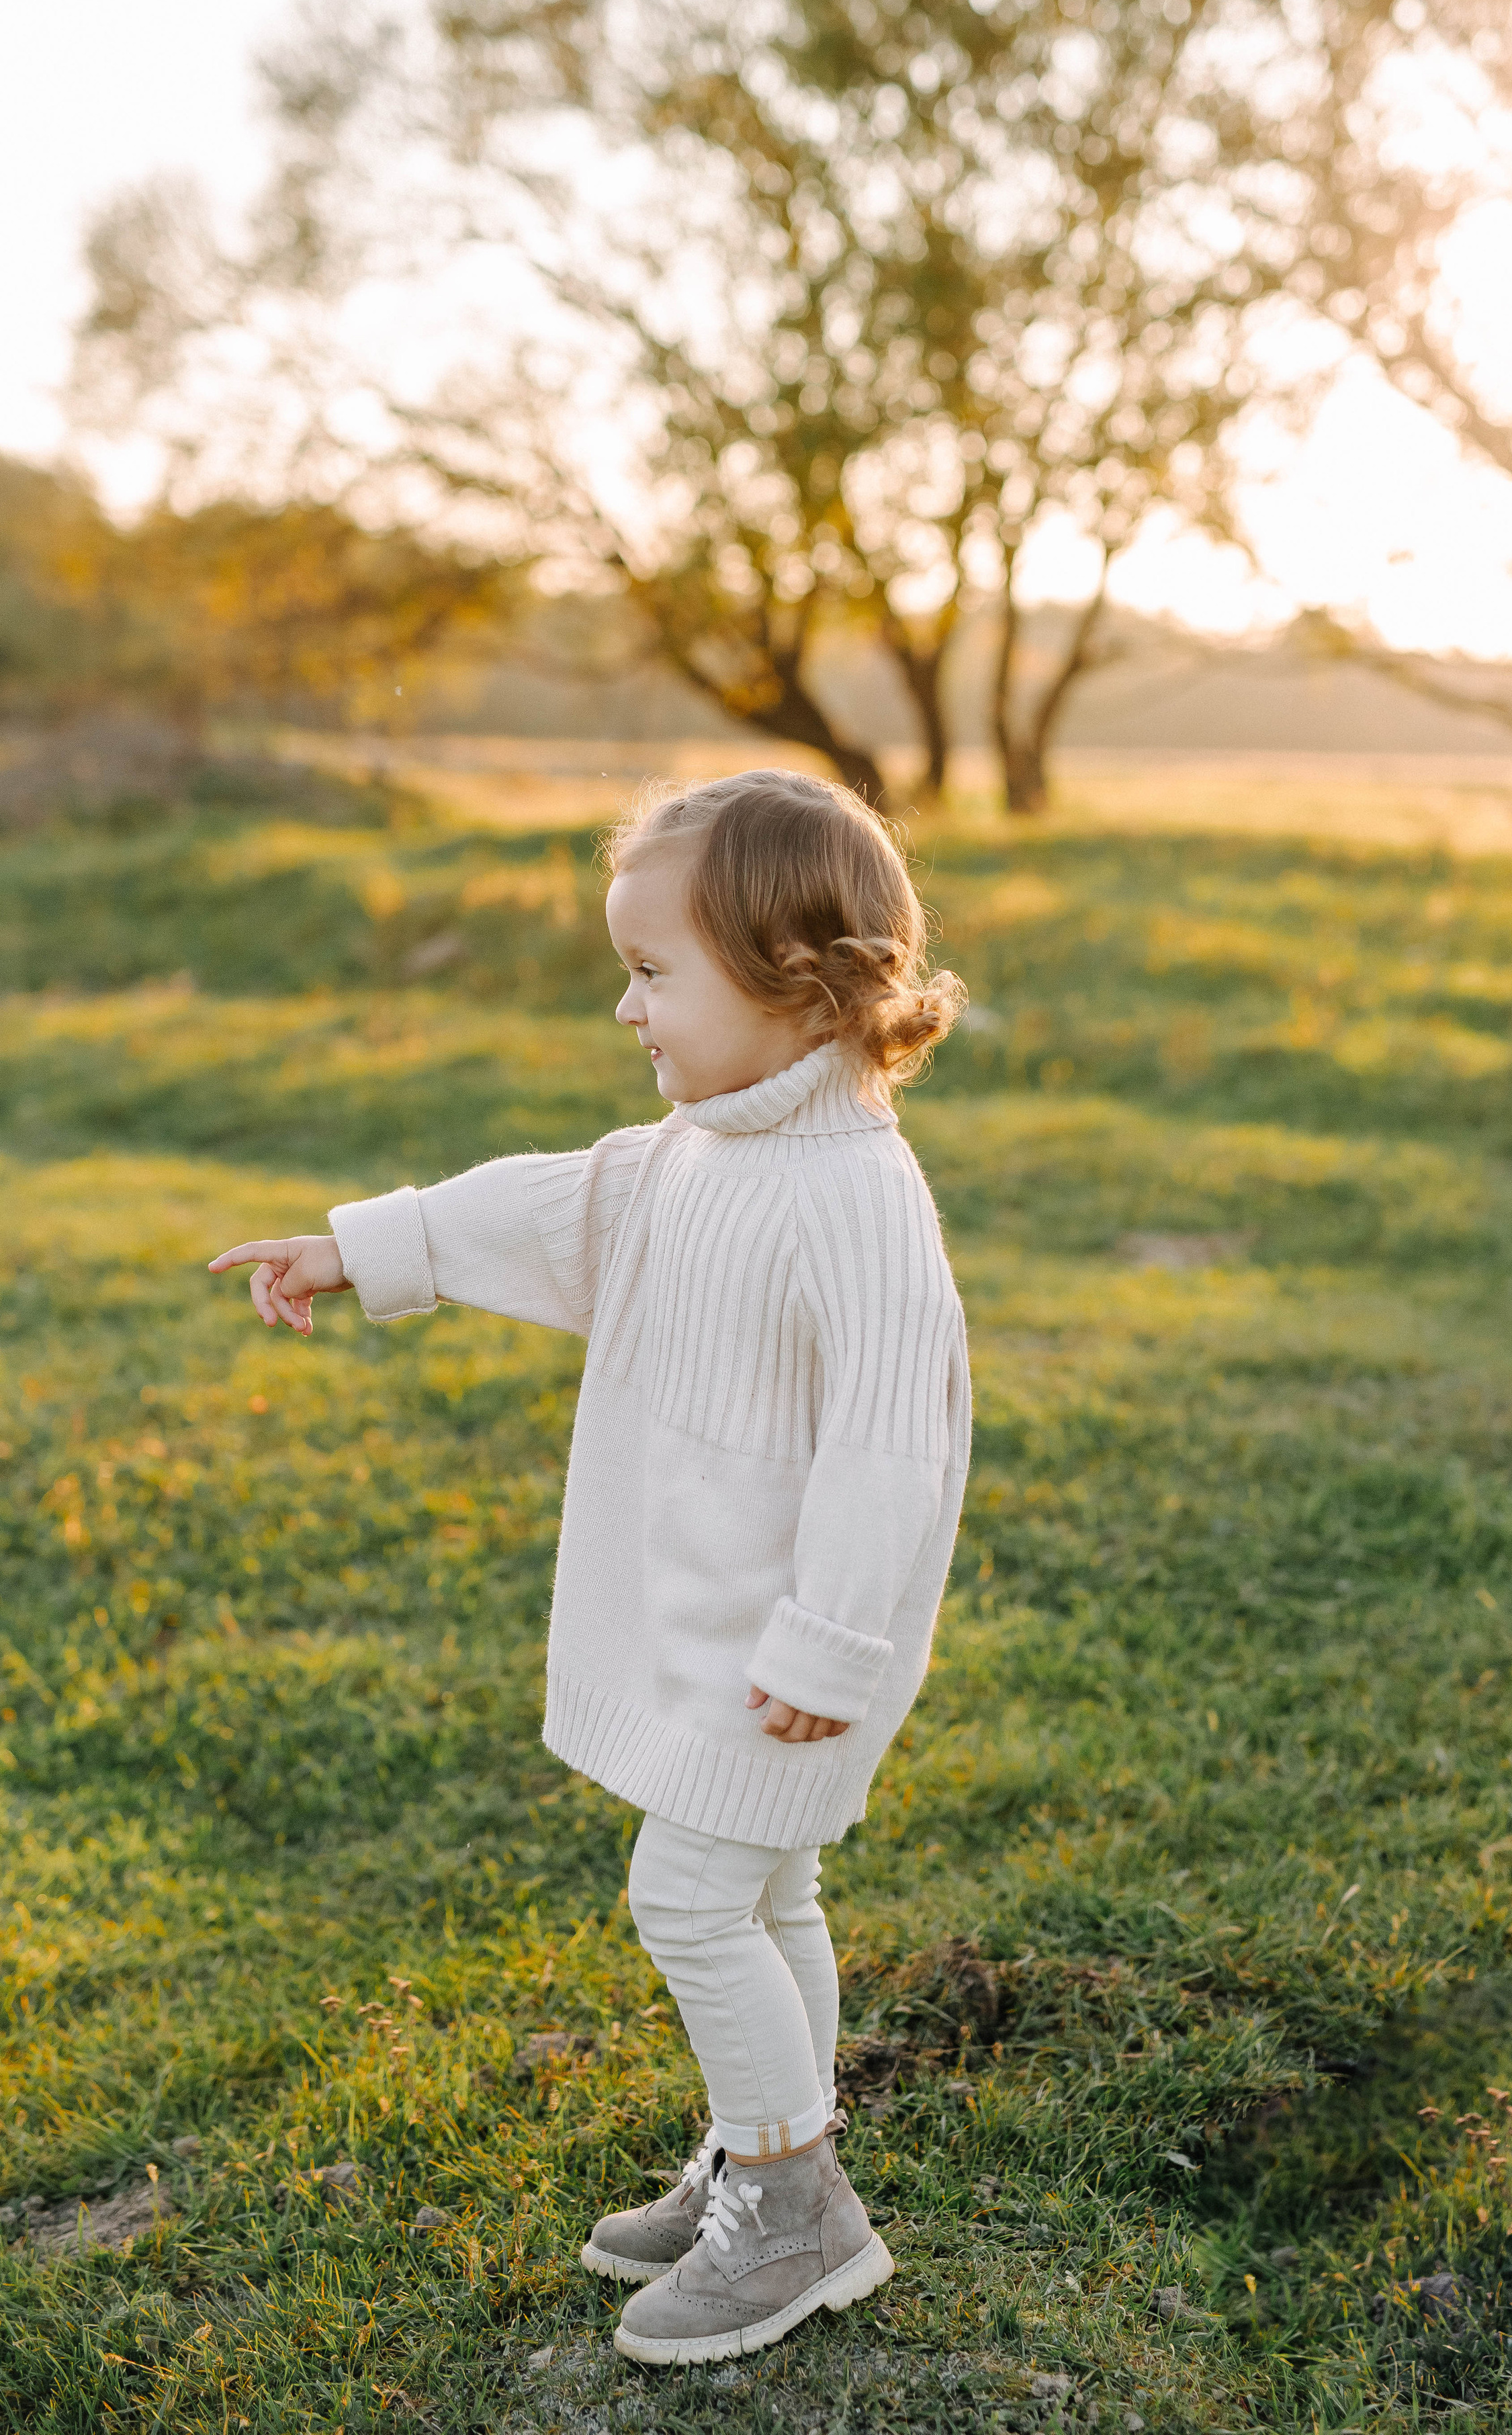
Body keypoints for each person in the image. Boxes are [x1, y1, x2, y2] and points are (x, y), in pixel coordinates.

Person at [209, 769, 971, 2366]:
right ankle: (757, 2154)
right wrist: (367, 1246)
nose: (625, 1010)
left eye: (650, 973)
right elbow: (558, 1202)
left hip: (787, 1640)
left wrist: (829, 1645)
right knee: (770, 1890)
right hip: (717, 1622)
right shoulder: (694, 1154)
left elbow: (891, 1449)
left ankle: (793, 2207)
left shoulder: (852, 1198)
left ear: (801, 981)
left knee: (687, 1900)